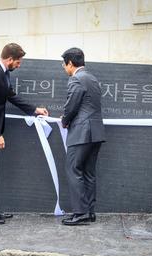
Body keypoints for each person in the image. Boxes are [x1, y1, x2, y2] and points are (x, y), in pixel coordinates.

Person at [0, 43, 48, 224]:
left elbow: (11, 96)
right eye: (18, 62)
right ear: (10, 59)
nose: (19, 65)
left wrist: (35, 109)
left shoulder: (4, 73)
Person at [60, 47, 105, 226]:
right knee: (88, 172)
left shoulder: (76, 79)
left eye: (64, 65)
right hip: (96, 133)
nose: (64, 69)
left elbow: (72, 106)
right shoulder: (93, 78)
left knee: (74, 170)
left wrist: (64, 120)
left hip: (81, 132)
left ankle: (80, 213)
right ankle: (89, 212)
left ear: (70, 63)